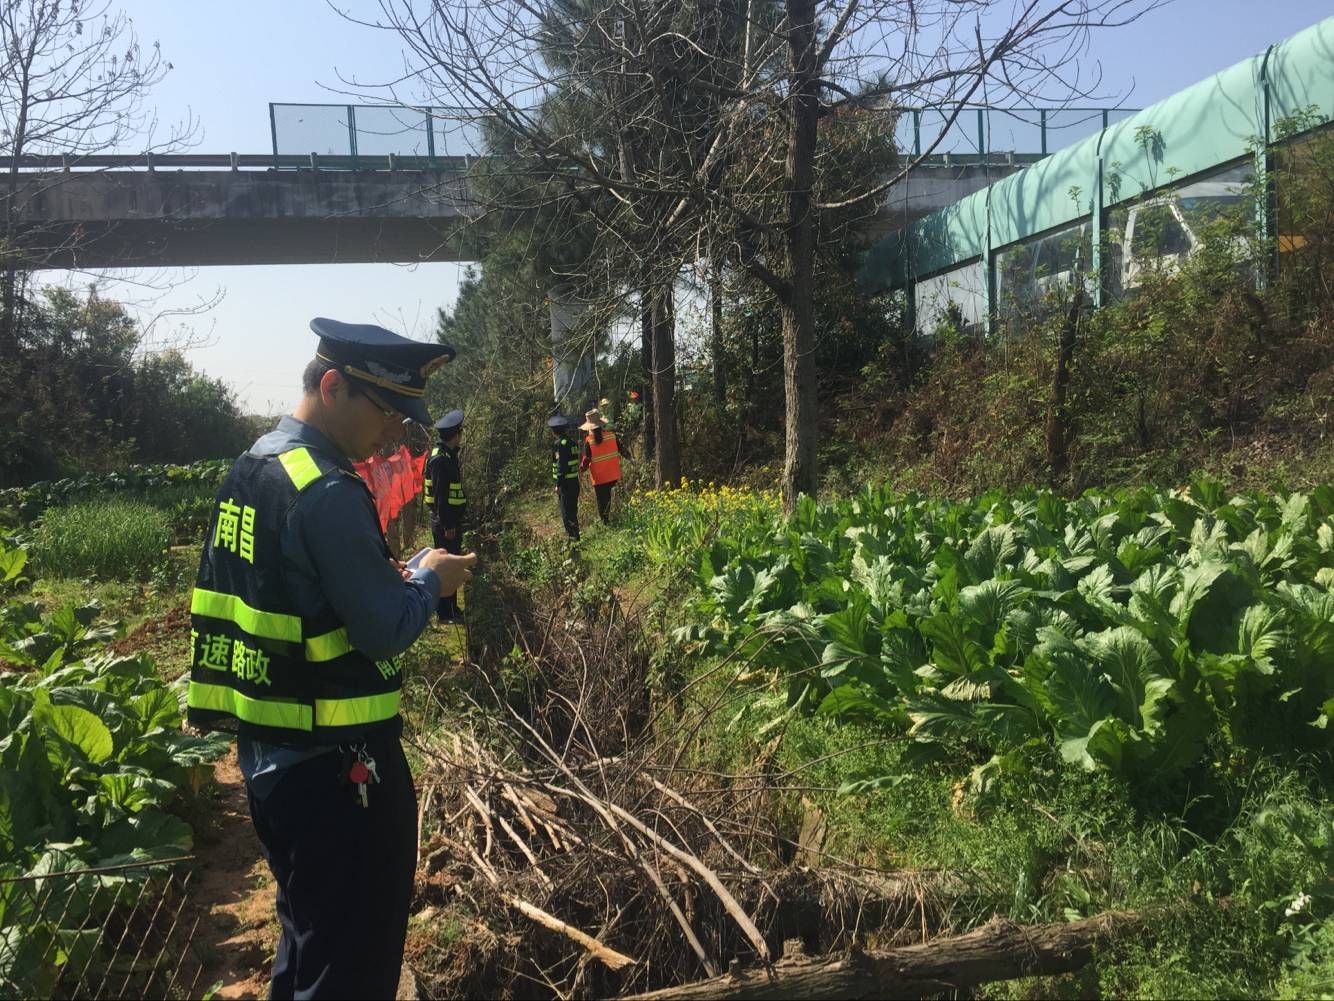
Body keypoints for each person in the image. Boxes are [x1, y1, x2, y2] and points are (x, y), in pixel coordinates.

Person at [186, 317, 477, 1000]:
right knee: (351, 968)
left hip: (272, 762)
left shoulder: (255, 464)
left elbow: (301, 594)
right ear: (333, 385)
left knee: (309, 947)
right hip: (341, 776)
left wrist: (391, 575)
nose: (393, 433)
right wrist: (430, 581)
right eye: (385, 411)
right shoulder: (327, 488)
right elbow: (382, 629)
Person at [426, 409, 466, 623]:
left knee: (453, 565)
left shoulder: (447, 454)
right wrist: (448, 525)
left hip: (449, 521)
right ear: (455, 435)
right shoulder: (441, 460)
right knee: (446, 568)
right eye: (460, 433)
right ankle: (444, 612)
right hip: (445, 524)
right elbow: (440, 496)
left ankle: (452, 607)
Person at [579, 407, 630, 525]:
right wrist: (630, 458)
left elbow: (586, 460)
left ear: (589, 428)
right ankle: (616, 517)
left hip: (599, 478)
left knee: (602, 501)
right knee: (611, 498)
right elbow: (622, 450)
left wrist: (581, 470)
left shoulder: (589, 441)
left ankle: (605, 523)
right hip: (613, 475)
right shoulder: (612, 435)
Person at [549, 414, 581, 540]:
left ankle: (573, 540)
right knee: (572, 513)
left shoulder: (559, 445)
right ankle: (575, 538)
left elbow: (561, 466)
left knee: (566, 515)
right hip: (574, 482)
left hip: (565, 485)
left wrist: (558, 485)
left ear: (554, 431)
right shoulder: (572, 443)